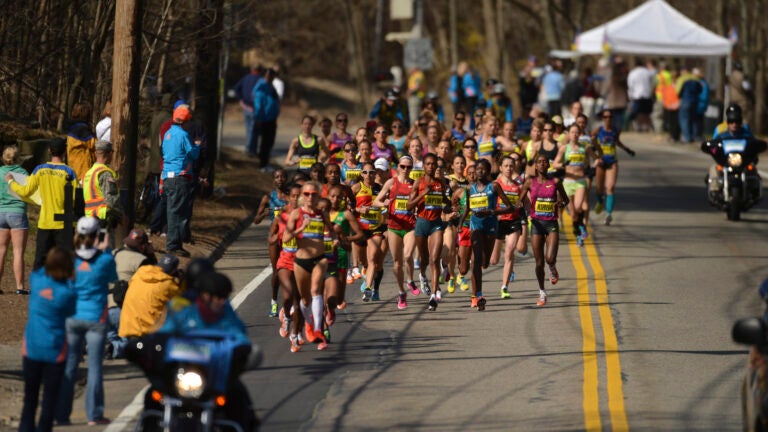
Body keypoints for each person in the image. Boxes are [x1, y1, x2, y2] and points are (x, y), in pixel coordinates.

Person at [156, 272, 258, 431]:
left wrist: (242, 348)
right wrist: (151, 344)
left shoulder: (225, 311)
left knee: (238, 395)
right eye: (218, 297)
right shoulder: (183, 309)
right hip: (184, 372)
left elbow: (239, 333)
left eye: (224, 297)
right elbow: (166, 332)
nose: (222, 301)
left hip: (214, 373)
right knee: (153, 395)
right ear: (204, 295)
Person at [55, 216, 117, 426]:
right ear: (96, 235)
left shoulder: (70, 260)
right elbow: (114, 278)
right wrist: (106, 249)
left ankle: (62, 415)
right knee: (94, 368)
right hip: (96, 318)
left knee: (69, 366)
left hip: (72, 317)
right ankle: (94, 414)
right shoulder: (104, 260)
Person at [19, 247, 76, 432]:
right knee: (49, 400)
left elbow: (38, 271)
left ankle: (25, 429)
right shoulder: (68, 293)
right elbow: (71, 311)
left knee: (30, 398)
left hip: (32, 347)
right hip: (55, 351)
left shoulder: (37, 281)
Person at [6, 138, 77, 270]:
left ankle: (38, 288)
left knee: (40, 260)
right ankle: (62, 289)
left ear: (49, 151)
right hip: (64, 224)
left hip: (45, 222)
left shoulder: (39, 170)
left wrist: (11, 182)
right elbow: (74, 199)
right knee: (65, 261)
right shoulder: (70, 172)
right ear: (64, 152)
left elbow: (25, 191)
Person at [283, 182, 333, 350]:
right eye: (306, 194)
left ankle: (318, 330)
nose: (310, 197)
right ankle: (310, 324)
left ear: (318, 196)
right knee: (305, 300)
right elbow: (285, 238)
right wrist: (301, 229)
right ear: (302, 196)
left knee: (316, 291)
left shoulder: (321, 214)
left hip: (320, 259)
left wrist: (335, 240)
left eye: (313, 194)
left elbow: (331, 232)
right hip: (301, 261)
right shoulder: (296, 214)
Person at [460, 159, 513, 311]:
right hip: (475, 226)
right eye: (478, 169)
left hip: (491, 226)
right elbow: (467, 209)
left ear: (488, 172)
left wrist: (491, 212)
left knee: (485, 262)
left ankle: (478, 292)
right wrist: (460, 223)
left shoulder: (494, 186)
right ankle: (479, 296)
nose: (480, 172)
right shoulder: (470, 188)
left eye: (483, 170)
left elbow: (509, 207)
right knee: (475, 261)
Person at [517, 155, 569, 306]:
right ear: (535, 166)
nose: (542, 164)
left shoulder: (556, 182)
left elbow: (566, 200)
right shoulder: (529, 182)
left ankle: (552, 268)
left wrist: (561, 203)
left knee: (549, 259)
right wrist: (520, 204)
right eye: (539, 162)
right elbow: (520, 200)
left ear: (548, 166)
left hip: (551, 223)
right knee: (539, 263)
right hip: (536, 224)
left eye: (545, 162)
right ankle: (542, 292)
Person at [407, 153, 452, 311]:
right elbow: (408, 206)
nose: (431, 167)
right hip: (421, 224)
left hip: (436, 224)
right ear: (424, 166)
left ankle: (433, 295)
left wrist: (452, 206)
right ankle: (423, 276)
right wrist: (422, 195)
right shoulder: (418, 182)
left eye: (434, 164)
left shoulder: (441, 183)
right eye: (428, 164)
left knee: (434, 259)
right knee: (425, 259)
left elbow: (444, 200)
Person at [374, 155, 418, 309]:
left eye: (409, 167)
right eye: (403, 166)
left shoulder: (414, 184)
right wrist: (384, 203)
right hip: (393, 227)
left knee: (407, 255)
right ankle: (401, 293)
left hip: (410, 226)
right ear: (397, 166)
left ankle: (410, 280)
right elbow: (376, 201)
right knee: (397, 263)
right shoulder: (391, 182)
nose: (405, 170)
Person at [553, 124, 601, 245]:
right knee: (573, 213)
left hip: (580, 182)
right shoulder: (564, 148)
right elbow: (555, 164)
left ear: (579, 134)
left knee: (579, 207)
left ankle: (581, 229)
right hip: (568, 182)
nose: (574, 134)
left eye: (576, 132)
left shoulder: (584, 148)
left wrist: (593, 167)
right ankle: (579, 232)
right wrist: (564, 165)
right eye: (572, 132)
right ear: (568, 134)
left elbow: (596, 158)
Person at [162, 105, 199, 257]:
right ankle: (174, 245)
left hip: (168, 177)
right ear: (185, 121)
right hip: (180, 177)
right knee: (179, 213)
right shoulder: (183, 135)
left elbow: (163, 152)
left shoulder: (168, 134)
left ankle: (174, 243)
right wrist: (197, 146)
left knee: (172, 210)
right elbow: (193, 154)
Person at [118, 254, 182, 339]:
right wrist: (180, 282)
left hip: (127, 326)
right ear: (174, 271)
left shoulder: (140, 273)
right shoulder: (169, 285)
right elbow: (182, 302)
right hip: (147, 333)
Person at [591, 109, 635, 226]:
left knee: (610, 187)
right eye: (605, 117)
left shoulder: (616, 130)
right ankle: (600, 201)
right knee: (599, 188)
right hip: (601, 162)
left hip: (612, 162)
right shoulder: (598, 130)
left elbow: (617, 142)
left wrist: (627, 150)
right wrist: (594, 154)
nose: (608, 119)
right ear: (602, 118)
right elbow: (591, 142)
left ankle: (608, 214)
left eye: (610, 117)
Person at [492, 155, 526, 298]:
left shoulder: (518, 187)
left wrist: (526, 218)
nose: (509, 168)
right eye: (506, 166)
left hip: (514, 222)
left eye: (511, 166)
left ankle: (504, 287)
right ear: (500, 168)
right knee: (493, 260)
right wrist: (494, 215)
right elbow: (488, 202)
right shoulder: (495, 184)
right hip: (499, 222)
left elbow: (525, 206)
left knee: (509, 252)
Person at [0, 145, 28, 295]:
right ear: (18, 158)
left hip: (1, 213)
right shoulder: (23, 172)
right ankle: (20, 287)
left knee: (1, 250)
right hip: (17, 213)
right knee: (18, 252)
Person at [83, 140, 121, 243]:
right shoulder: (105, 173)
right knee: (105, 253)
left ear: (96, 153)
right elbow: (111, 201)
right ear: (109, 153)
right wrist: (119, 216)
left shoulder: (89, 173)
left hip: (89, 218)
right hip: (103, 220)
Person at [66, 101, 96, 217]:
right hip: (82, 170)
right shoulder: (82, 130)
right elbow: (94, 145)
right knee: (81, 203)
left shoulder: (72, 128)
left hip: (73, 167)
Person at [251, 67, 281, 171]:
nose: (269, 77)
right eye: (268, 75)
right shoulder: (262, 86)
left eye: (271, 76)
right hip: (264, 119)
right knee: (265, 142)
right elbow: (258, 104)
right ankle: (262, 164)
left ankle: (265, 162)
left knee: (270, 141)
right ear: (265, 76)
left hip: (271, 118)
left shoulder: (270, 86)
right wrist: (259, 117)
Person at [233, 64, 262, 154]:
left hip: (246, 106)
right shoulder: (261, 80)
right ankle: (251, 149)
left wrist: (240, 100)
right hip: (256, 108)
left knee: (249, 128)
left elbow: (236, 88)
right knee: (254, 130)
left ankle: (249, 147)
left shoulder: (246, 78)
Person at [627, 57, 655, 132]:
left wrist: (630, 96)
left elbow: (630, 86)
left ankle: (639, 126)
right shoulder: (647, 72)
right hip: (647, 95)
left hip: (637, 96)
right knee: (646, 112)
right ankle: (646, 127)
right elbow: (654, 76)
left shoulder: (632, 73)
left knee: (638, 113)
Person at [676, 67, 702, 143]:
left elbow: (678, 91)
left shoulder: (682, 79)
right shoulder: (695, 79)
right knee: (693, 119)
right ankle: (695, 136)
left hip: (685, 100)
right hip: (695, 101)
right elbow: (700, 89)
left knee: (684, 119)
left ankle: (687, 137)